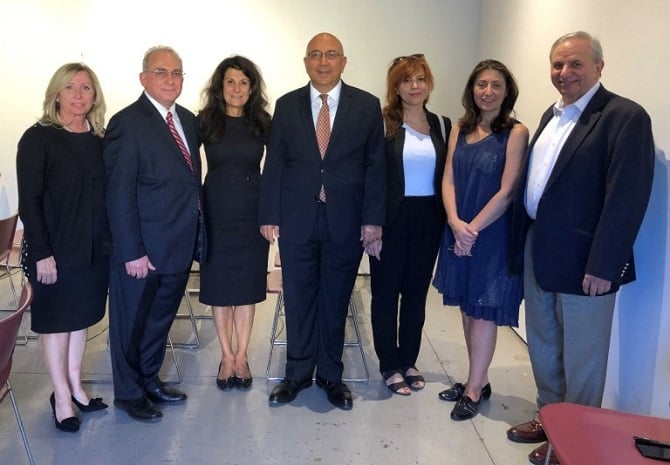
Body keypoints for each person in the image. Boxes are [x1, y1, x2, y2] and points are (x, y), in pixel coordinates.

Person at [505, 32, 654, 465]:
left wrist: (605, 263)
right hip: (540, 249)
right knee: (544, 342)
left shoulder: (624, 117)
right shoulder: (553, 117)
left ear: (598, 68)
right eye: (557, 65)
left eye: (575, 64)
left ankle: (576, 439)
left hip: (588, 262)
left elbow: (627, 198)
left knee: (583, 356)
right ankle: (550, 418)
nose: (564, 73)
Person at [259, 32, 386, 410]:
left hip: (346, 221)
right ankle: (296, 374)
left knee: (335, 299)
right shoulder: (286, 105)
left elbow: (375, 167)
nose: (323, 61)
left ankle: (331, 375)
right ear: (306, 62)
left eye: (331, 54)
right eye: (315, 54)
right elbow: (275, 163)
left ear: (343, 61)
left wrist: (373, 220)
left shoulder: (366, 106)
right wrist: (269, 215)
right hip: (298, 220)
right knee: (298, 299)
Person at [104, 46, 202, 421]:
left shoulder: (188, 120)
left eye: (177, 73)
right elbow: (119, 192)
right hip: (141, 251)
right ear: (143, 78)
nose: (170, 80)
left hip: (177, 245)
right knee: (131, 325)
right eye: (161, 72)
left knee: (160, 321)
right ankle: (128, 394)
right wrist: (131, 251)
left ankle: (149, 380)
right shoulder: (127, 123)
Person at [16, 63, 110, 433]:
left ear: (94, 95)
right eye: (70, 87)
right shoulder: (38, 138)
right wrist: (40, 251)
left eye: (86, 88)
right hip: (53, 250)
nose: (78, 95)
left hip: (93, 249)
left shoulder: (99, 138)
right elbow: (31, 200)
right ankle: (61, 397)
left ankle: (75, 386)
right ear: (56, 93)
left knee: (80, 320)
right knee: (57, 324)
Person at [433, 60, 528, 420]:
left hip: (491, 235)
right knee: (466, 307)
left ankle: (473, 389)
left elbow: (507, 192)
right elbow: (448, 180)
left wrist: (470, 229)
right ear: (472, 89)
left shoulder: (516, 132)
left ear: (507, 92)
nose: (487, 91)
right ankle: (478, 378)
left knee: (483, 311)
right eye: (481, 84)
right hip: (459, 229)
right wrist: (456, 223)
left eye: (496, 85)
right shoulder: (460, 128)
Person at [370, 54, 450, 396]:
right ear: (396, 87)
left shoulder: (443, 125)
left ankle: (409, 360)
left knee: (416, 295)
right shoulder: (383, 124)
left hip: (428, 219)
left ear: (428, 83)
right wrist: (370, 225)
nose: (414, 86)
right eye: (406, 80)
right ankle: (389, 363)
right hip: (390, 220)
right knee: (386, 294)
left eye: (420, 79)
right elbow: (370, 177)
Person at [198, 56, 271, 390]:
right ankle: (225, 357)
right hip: (215, 213)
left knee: (245, 289)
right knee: (219, 289)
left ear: (252, 87)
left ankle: (242, 357)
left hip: (252, 215)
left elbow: (281, 167)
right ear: (220, 86)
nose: (237, 88)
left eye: (244, 82)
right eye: (230, 81)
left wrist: (274, 214)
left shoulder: (263, 123)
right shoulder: (205, 122)